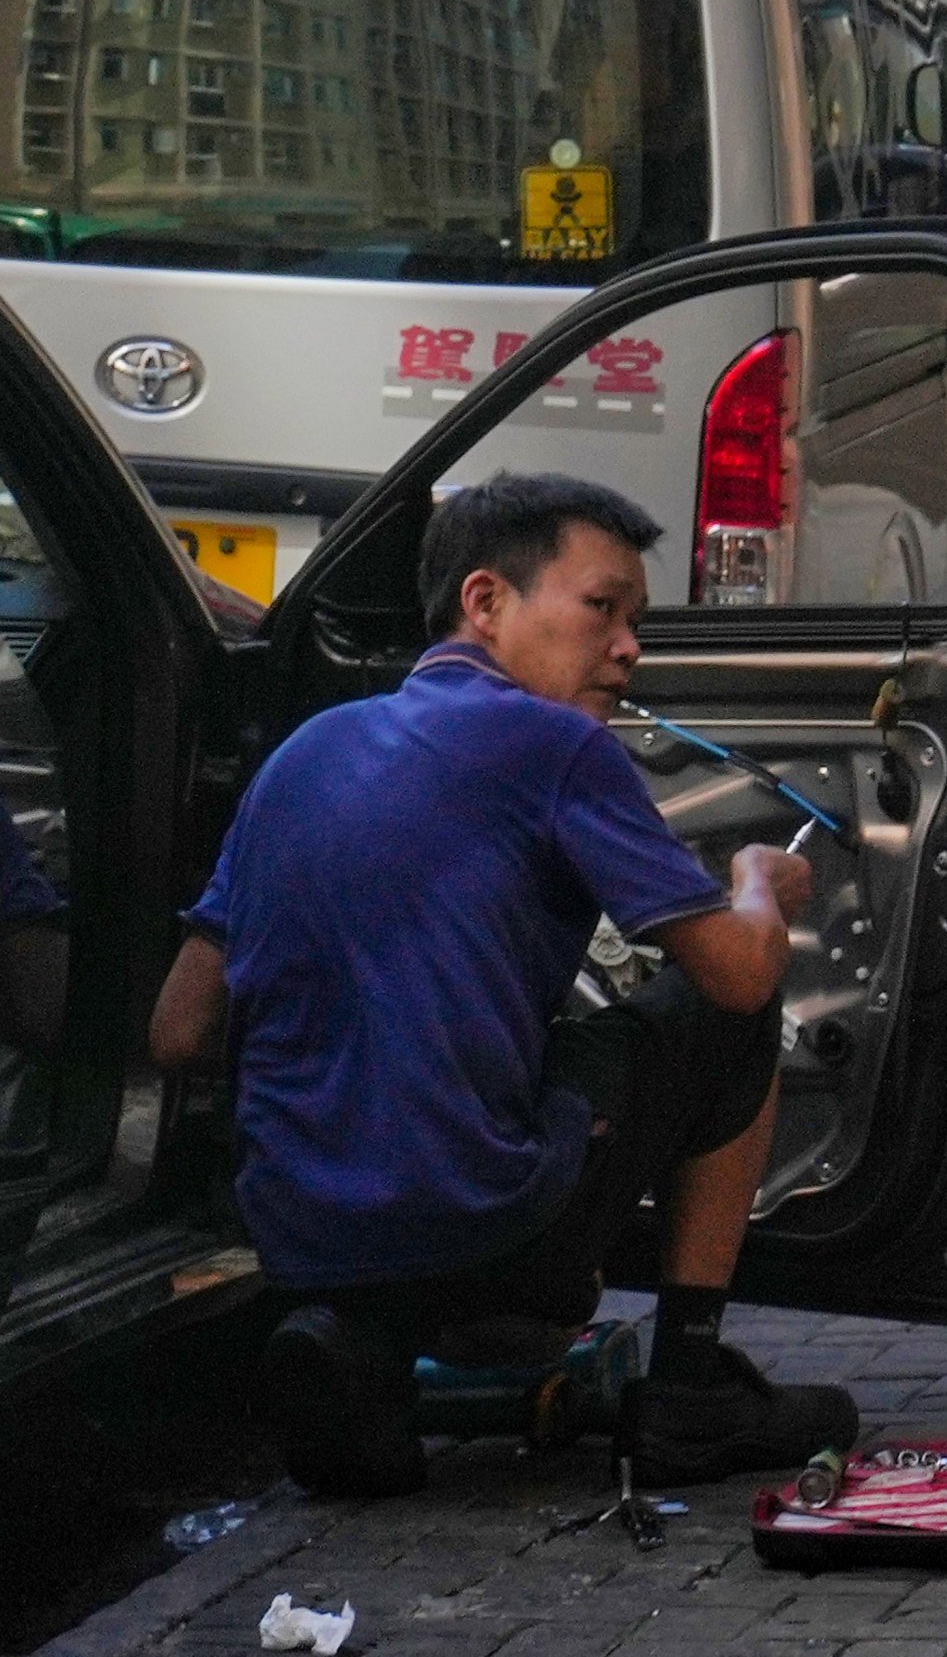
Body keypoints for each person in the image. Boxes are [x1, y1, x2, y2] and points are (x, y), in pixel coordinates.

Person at [150, 474, 861, 1499]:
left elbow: (177, 1030)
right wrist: (755, 882)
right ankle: (689, 1388)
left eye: (636, 621)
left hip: (301, 1234)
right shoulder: (557, 744)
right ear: (484, 602)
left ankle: (361, 1352)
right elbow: (740, 976)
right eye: (600, 607)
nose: (627, 647)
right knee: (721, 1019)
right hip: (488, 1222)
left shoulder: (304, 754)